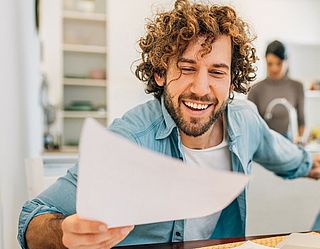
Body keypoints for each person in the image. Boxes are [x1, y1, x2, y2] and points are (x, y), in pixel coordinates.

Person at [18, 1, 320, 248]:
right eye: (187, 68)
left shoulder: (245, 121)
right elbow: (31, 219)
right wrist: (63, 234)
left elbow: (292, 158)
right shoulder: (130, 140)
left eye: (217, 72)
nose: (201, 88)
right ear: (161, 73)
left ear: (232, 82)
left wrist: (311, 164)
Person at [247, 40, 305, 142]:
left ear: (286, 61)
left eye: (279, 63)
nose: (274, 68)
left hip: (289, 146)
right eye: (270, 64)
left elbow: (302, 121)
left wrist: (300, 142)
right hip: (264, 146)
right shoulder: (255, 89)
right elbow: (251, 125)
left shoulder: (297, 87)